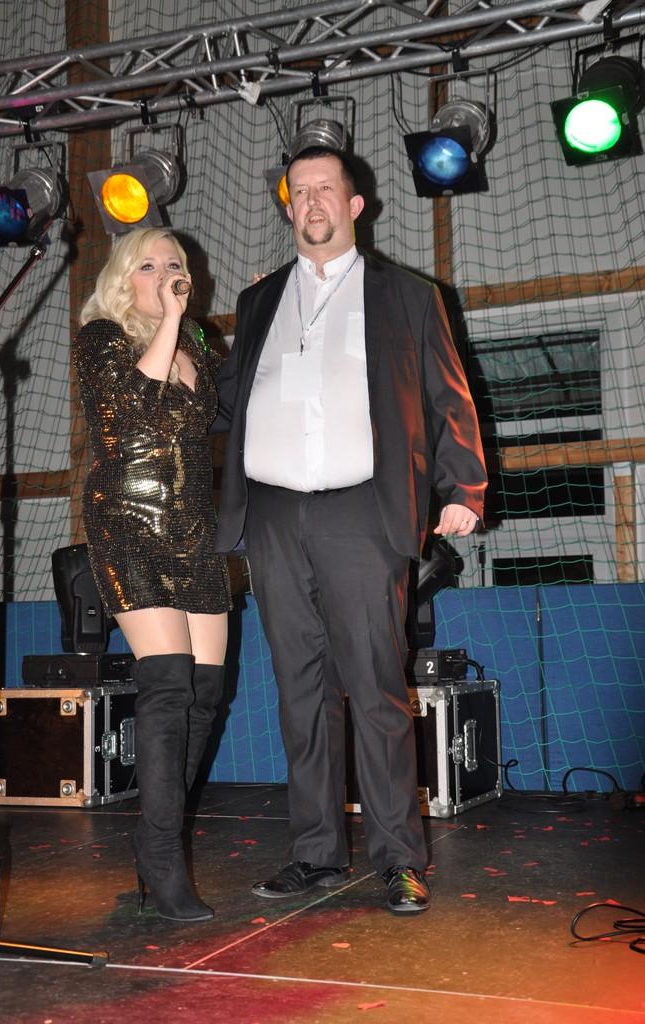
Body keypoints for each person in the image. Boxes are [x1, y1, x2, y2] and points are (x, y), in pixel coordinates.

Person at [213, 147, 487, 915]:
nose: (311, 202)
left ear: (355, 203)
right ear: (288, 207)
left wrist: (463, 485)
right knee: (299, 693)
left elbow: (448, 393)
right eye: (298, 192)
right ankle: (314, 854)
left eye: (325, 189)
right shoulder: (259, 298)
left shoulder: (407, 295)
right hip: (273, 514)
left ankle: (399, 857)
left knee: (373, 688)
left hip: (361, 511)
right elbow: (228, 399)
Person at [73, 227, 231, 922]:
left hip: (195, 527)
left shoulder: (197, 342)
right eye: (149, 265)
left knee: (206, 695)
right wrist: (169, 319)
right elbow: (132, 407)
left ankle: (151, 845)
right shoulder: (102, 338)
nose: (167, 272)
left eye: (176, 263)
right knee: (168, 686)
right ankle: (164, 864)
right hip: (129, 523)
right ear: (122, 278)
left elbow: (225, 418)